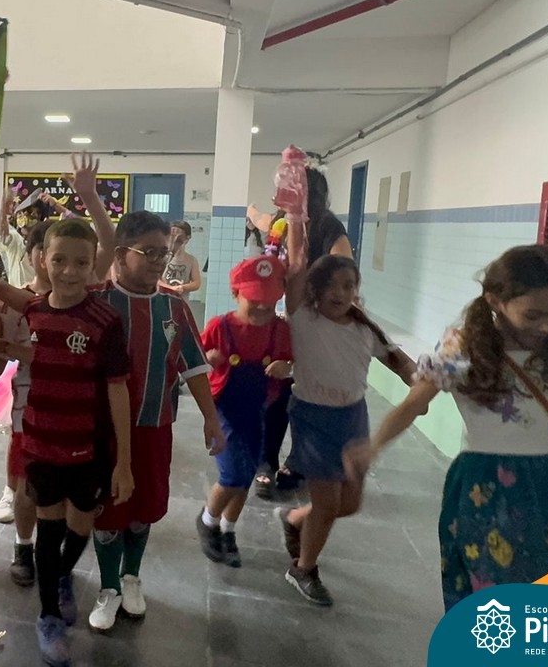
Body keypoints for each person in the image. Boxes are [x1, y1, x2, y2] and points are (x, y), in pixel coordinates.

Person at [347, 245, 548, 611]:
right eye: (533, 315)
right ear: (495, 300)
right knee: (494, 583)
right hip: (485, 483)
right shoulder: (463, 348)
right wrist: (375, 445)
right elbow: (414, 403)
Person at [0, 218, 134, 667]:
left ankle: (62, 576)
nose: (70, 271)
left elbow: (117, 390)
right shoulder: (35, 310)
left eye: (81, 263)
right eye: (59, 260)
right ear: (42, 261)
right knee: (48, 530)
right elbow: (36, 336)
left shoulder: (105, 321)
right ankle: (48, 614)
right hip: (41, 442)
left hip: (88, 447)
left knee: (80, 525)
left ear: (93, 266)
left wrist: (123, 463)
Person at [80, 209, 223, 634]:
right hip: (101, 431)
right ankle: (108, 586)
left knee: (144, 507)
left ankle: (131, 577)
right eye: (149, 252)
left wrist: (211, 419)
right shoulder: (97, 302)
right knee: (107, 508)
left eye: (164, 252)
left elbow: (194, 366)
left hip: (154, 426)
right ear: (120, 254)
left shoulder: (174, 306)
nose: (160, 261)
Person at [274, 190, 415, 606]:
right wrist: (295, 217)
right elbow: (295, 267)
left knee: (349, 504)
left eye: (349, 285)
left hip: (353, 419)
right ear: (314, 290)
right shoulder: (304, 318)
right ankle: (303, 568)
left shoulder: (364, 328)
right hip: (312, 418)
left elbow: (401, 363)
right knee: (327, 502)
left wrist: (425, 381)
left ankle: (294, 519)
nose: (341, 293)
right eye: (332, 286)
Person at [253, 167, 354, 499]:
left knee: (307, 396)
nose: (280, 194)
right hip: (285, 318)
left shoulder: (327, 226)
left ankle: (298, 463)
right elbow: (263, 227)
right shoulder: (280, 223)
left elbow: (344, 267)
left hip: (317, 321)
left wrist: (311, 287)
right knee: (276, 390)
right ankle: (266, 460)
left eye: (288, 189)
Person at [196, 255, 293, 568]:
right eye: (255, 299)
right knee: (232, 474)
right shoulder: (220, 327)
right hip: (223, 410)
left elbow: (291, 361)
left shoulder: (280, 329)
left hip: (257, 409)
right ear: (236, 293)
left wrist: (285, 367)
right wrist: (208, 360)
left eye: (270, 300)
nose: (263, 306)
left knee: (247, 475)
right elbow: (192, 360)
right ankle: (208, 521)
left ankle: (228, 529)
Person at [0, 219, 56, 587]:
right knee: (26, 480)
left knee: (57, 487)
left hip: (72, 408)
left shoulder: (84, 303)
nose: (55, 263)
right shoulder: (15, 301)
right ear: (33, 255)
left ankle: (54, 551)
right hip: (29, 405)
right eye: (46, 252)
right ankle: (24, 546)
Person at [161, 220, 202, 300]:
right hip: (163, 300)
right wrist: (170, 288)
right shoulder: (162, 257)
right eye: (172, 235)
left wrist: (182, 287)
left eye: (178, 236)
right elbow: (156, 279)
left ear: (187, 238)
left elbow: (197, 283)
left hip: (181, 302)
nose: (174, 239)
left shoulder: (191, 260)